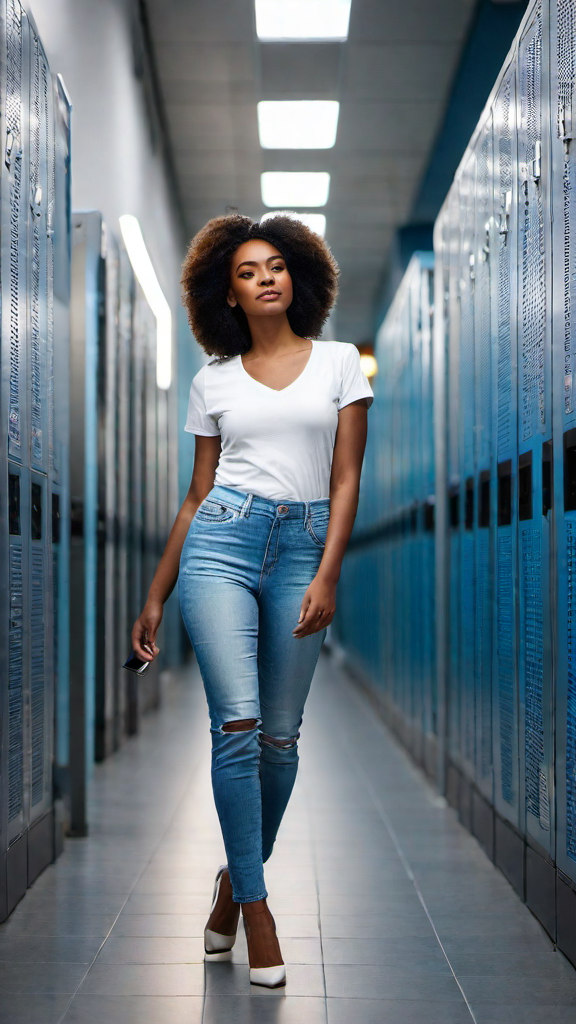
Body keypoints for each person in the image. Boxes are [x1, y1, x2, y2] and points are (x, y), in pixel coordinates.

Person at [131, 213, 373, 987]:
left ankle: (232, 886)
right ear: (226, 295)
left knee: (278, 739)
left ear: (297, 275)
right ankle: (262, 909)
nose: (265, 277)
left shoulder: (340, 365)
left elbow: (344, 482)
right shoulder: (214, 379)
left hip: (303, 547)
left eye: (275, 265)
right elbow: (196, 496)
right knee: (234, 724)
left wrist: (328, 573)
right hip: (221, 546)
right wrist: (156, 596)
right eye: (247, 271)